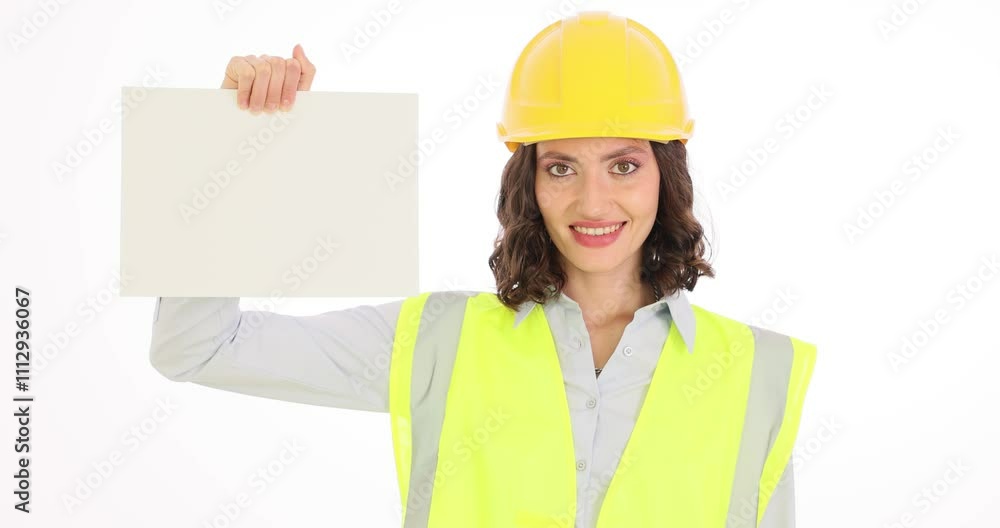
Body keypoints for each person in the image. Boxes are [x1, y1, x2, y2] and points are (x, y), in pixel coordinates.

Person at [149, 11, 816, 528]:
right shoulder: (439, 343)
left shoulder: (759, 375)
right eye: (561, 167)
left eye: (624, 164)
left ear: (664, 177)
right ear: (528, 184)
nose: (592, 201)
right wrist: (228, 139)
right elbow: (198, 348)